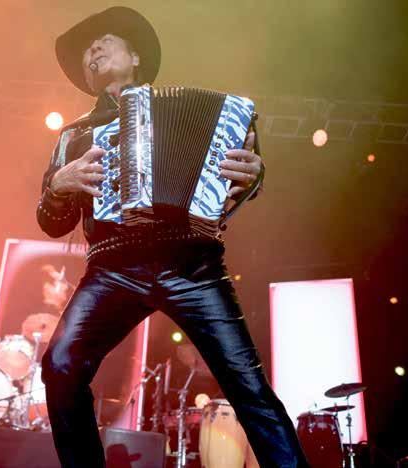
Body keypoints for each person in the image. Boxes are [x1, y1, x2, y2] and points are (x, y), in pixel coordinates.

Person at [37, 7, 309, 468]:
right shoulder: (73, 135)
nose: (93, 49)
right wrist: (57, 187)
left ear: (136, 57)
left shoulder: (206, 113)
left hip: (192, 262)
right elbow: (51, 223)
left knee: (249, 388)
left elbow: (237, 182)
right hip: (113, 268)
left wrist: (254, 176)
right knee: (60, 366)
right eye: (85, 51)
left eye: (105, 40)